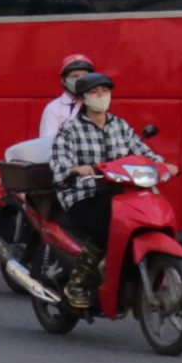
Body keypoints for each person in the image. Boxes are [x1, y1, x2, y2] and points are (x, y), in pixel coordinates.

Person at [44, 69, 144, 298]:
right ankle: (76, 283)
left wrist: (164, 165)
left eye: (105, 90)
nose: (100, 96)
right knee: (106, 229)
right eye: (94, 92)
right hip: (82, 194)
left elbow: (142, 152)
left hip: (117, 192)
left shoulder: (120, 126)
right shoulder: (70, 130)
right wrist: (74, 170)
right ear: (82, 98)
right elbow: (59, 165)